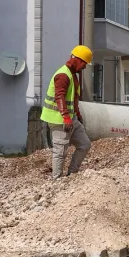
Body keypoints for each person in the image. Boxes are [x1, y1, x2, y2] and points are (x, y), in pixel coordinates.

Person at [41, 45, 93, 179]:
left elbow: (73, 97)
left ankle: (71, 175)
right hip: (59, 119)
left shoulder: (72, 75)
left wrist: (77, 114)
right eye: (84, 64)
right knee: (60, 152)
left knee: (84, 144)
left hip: (71, 118)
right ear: (78, 60)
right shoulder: (63, 75)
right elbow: (60, 96)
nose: (84, 67)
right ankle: (56, 181)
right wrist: (66, 117)